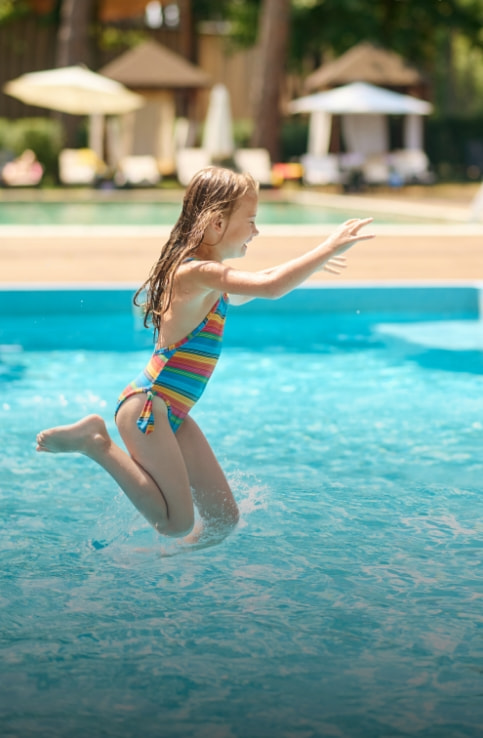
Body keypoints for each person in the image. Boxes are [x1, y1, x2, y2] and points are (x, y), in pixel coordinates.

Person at [36, 167, 374, 548]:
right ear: (216, 224)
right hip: (148, 408)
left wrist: (308, 266)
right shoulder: (194, 274)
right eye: (250, 221)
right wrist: (326, 247)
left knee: (222, 521)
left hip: (172, 412)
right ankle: (96, 442)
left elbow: (262, 283)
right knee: (175, 523)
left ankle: (167, 570)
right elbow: (269, 285)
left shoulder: (210, 281)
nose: (256, 231)